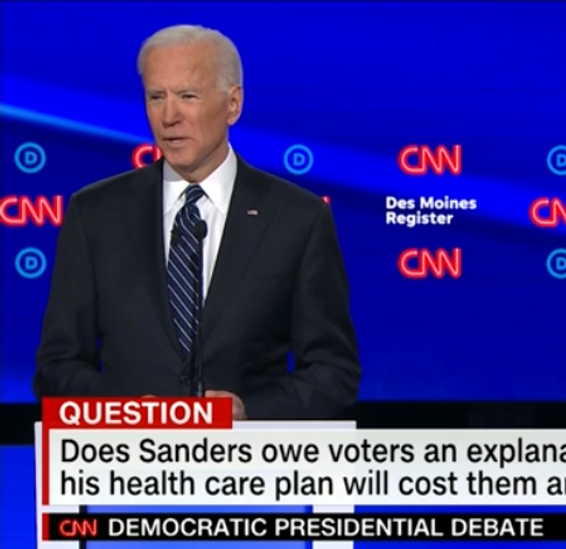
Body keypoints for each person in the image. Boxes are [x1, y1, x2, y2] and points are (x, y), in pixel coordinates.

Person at [34, 25, 361, 419]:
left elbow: (334, 372)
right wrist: (124, 412)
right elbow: (58, 367)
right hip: (130, 453)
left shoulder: (298, 218)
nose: (169, 116)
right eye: (156, 97)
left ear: (233, 104)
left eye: (187, 96)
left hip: (245, 455)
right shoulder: (95, 213)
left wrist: (249, 412)